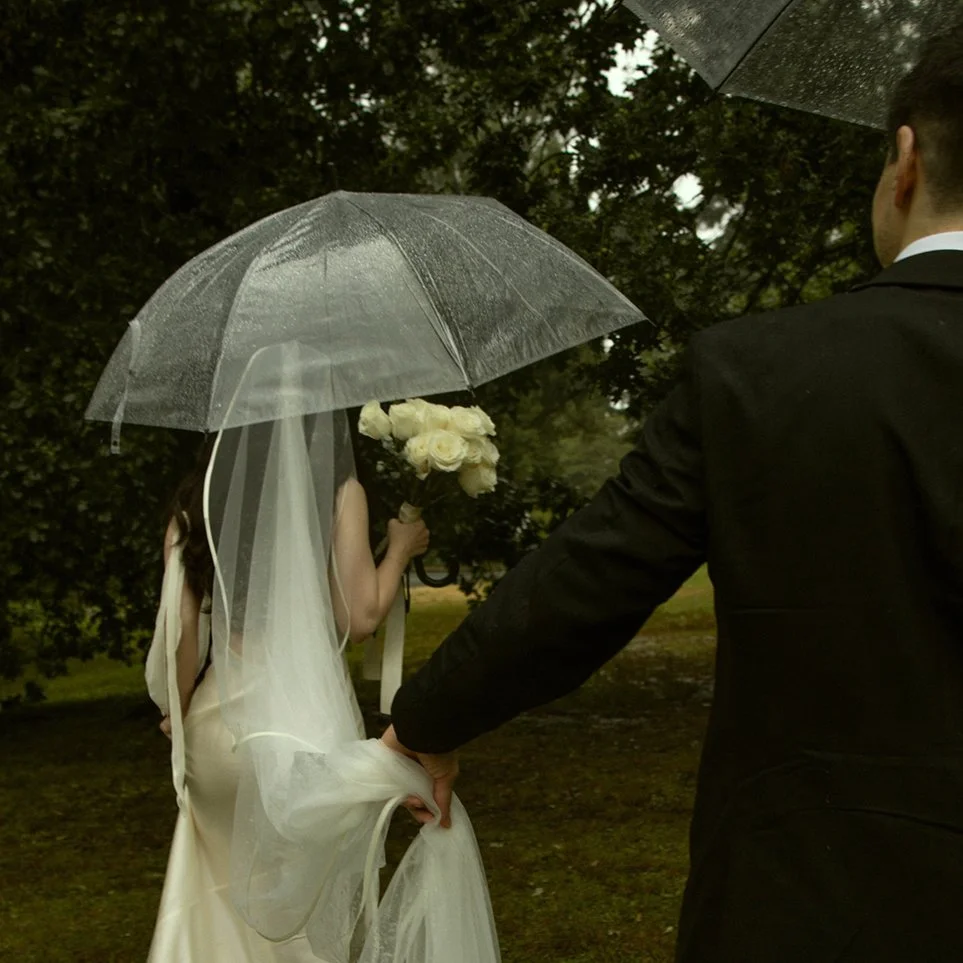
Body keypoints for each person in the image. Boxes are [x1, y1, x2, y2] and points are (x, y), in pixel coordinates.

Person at [382, 25, 963, 962]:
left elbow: (595, 575)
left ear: (902, 161)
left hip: (807, 899)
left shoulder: (757, 372)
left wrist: (424, 721)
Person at [145, 430, 429, 963]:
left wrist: (178, 713)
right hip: (305, 731)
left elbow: (181, 632)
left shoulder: (196, 502)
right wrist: (399, 550)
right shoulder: (338, 491)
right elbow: (361, 617)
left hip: (217, 730)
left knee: (218, 902)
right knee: (302, 916)